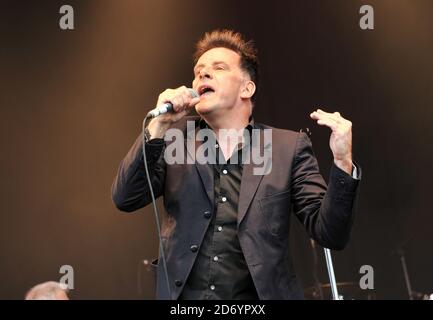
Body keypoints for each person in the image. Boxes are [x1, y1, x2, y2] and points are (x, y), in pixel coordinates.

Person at [112, 29, 361, 300]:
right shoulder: (175, 139)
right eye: (198, 71)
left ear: (247, 88)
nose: (203, 75)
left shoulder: (287, 148)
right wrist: (157, 125)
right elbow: (126, 197)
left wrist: (342, 161)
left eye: (218, 68)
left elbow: (330, 233)